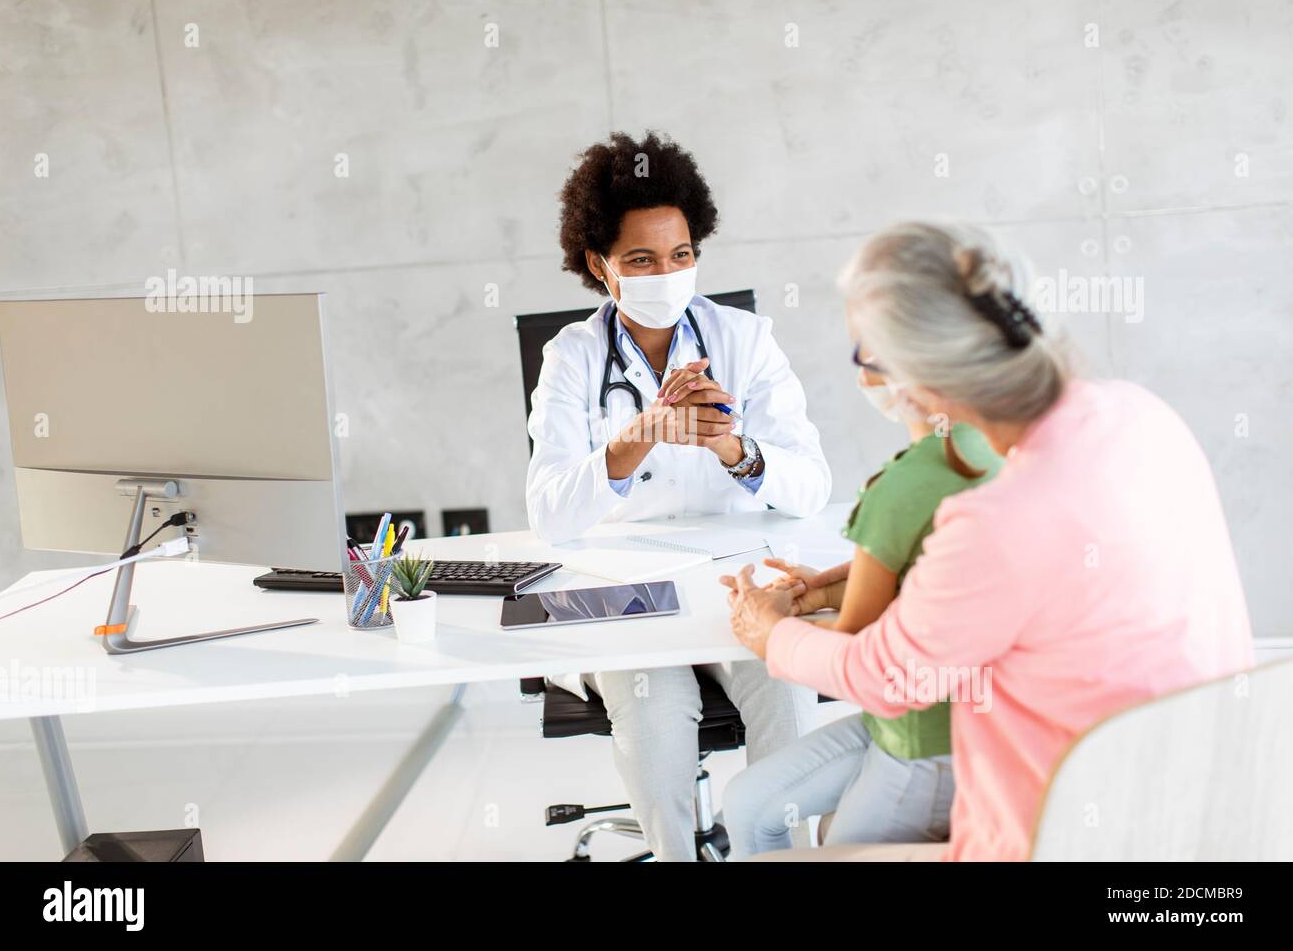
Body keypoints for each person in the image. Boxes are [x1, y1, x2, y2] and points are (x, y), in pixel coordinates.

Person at [722, 220, 1254, 862]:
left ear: (921, 384)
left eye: (867, 357)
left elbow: (883, 675)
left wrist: (767, 632)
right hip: (1196, 834)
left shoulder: (999, 519)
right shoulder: (1138, 415)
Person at [525, 131, 830, 860]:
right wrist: (638, 436)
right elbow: (549, 516)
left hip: (735, 578)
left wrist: (734, 447)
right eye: (641, 260)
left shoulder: (746, 340)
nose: (667, 272)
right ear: (600, 267)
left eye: (681, 255)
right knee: (656, 721)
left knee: (787, 693)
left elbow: (811, 487)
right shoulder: (571, 359)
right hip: (624, 589)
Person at [720, 350, 1003, 859]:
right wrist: (823, 594)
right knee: (746, 804)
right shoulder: (991, 449)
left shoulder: (908, 485)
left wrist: (764, 625)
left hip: (928, 742)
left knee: (835, 841)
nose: (862, 374)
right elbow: (928, 585)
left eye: (868, 355)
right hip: (905, 721)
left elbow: (857, 642)